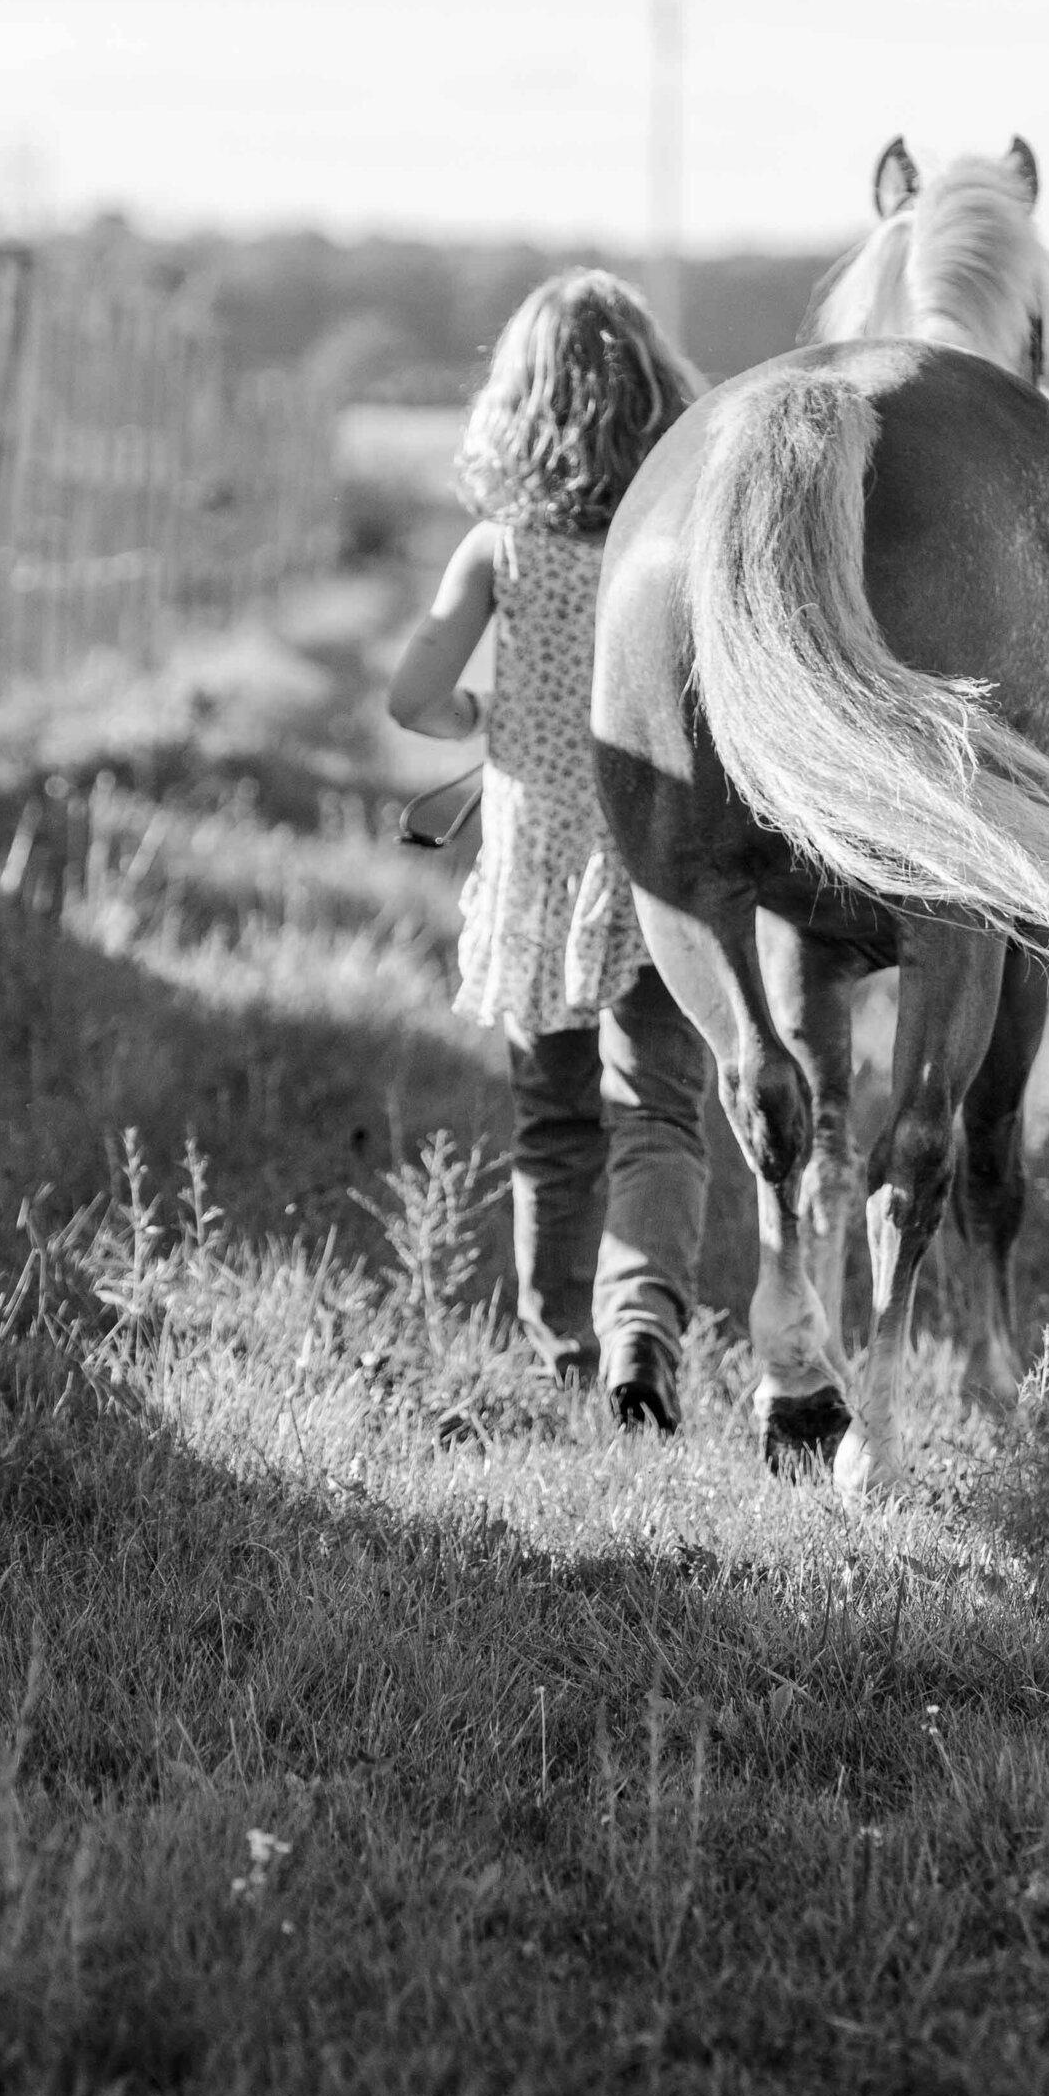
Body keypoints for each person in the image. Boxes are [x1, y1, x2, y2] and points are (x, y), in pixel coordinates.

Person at [387, 270, 711, 1432]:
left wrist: (474, 722)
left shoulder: (499, 550)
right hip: (660, 868)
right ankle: (643, 1335)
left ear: (519, 406)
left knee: (555, 1123)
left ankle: (560, 1349)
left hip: (536, 874)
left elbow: (410, 692)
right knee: (659, 1114)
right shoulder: (668, 543)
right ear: (655, 396)